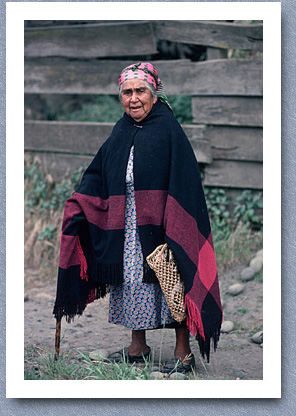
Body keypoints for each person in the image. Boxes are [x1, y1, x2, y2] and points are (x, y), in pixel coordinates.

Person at [53, 62, 223, 374]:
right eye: (127, 92)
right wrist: (79, 203)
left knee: (173, 281)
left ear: (154, 95)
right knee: (131, 284)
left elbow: (186, 184)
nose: (134, 98)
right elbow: (98, 173)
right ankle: (137, 345)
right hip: (128, 226)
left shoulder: (169, 130)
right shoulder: (120, 131)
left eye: (140, 91)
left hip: (164, 225)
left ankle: (182, 352)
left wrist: (175, 224)